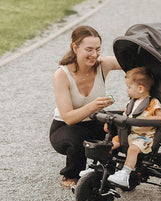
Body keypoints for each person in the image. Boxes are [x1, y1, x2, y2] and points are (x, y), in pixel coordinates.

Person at [49, 25, 121, 188]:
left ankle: (112, 169)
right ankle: (71, 175)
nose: (94, 55)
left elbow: (131, 64)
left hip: (94, 121)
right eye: (89, 49)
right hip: (65, 128)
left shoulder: (103, 64)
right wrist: (94, 105)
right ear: (74, 47)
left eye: (97, 49)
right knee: (78, 138)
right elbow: (68, 117)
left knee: (122, 125)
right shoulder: (62, 75)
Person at [107, 67, 161, 188]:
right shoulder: (132, 102)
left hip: (144, 138)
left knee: (133, 149)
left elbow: (160, 119)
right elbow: (125, 114)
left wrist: (143, 120)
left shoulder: (153, 103)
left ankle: (125, 174)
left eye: (129, 87)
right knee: (109, 144)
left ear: (140, 88)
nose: (127, 90)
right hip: (129, 135)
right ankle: (104, 168)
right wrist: (110, 118)